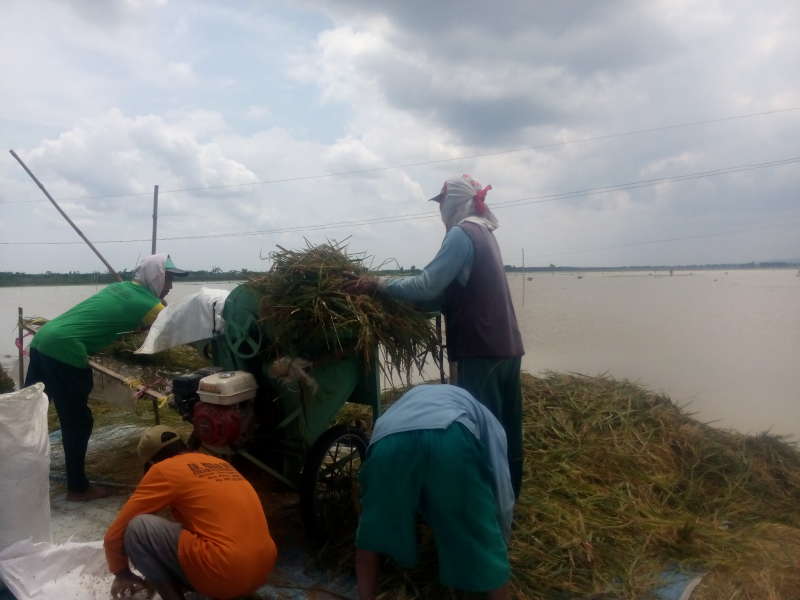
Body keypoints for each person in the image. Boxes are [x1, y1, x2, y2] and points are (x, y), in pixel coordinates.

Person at [349, 175, 525, 496]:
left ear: (455, 202)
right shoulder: (485, 232)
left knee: (482, 428)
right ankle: (511, 494)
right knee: (507, 427)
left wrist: (378, 284)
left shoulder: (462, 234)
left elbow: (427, 284)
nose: (440, 211)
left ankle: (484, 503)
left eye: (442, 203)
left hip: (480, 349)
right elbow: (449, 291)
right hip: (508, 347)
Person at [24, 254, 187, 501]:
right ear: (157, 277)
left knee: (28, 411)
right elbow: (177, 334)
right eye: (169, 280)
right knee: (77, 422)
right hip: (66, 350)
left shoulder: (119, 287)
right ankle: (78, 488)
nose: (171, 287)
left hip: (43, 339)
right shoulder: (152, 306)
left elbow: (119, 318)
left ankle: (17, 468)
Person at [355, 384, 514, 600]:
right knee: (486, 544)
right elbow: (501, 480)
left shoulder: (400, 406)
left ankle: (365, 595)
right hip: (450, 438)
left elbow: (378, 467)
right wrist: (501, 535)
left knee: (371, 532)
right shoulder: (489, 421)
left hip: (388, 441)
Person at [104, 425, 277, 600]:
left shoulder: (163, 469)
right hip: (262, 569)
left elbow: (116, 533)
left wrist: (120, 572)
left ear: (151, 463)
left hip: (225, 571)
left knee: (138, 527)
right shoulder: (219, 463)